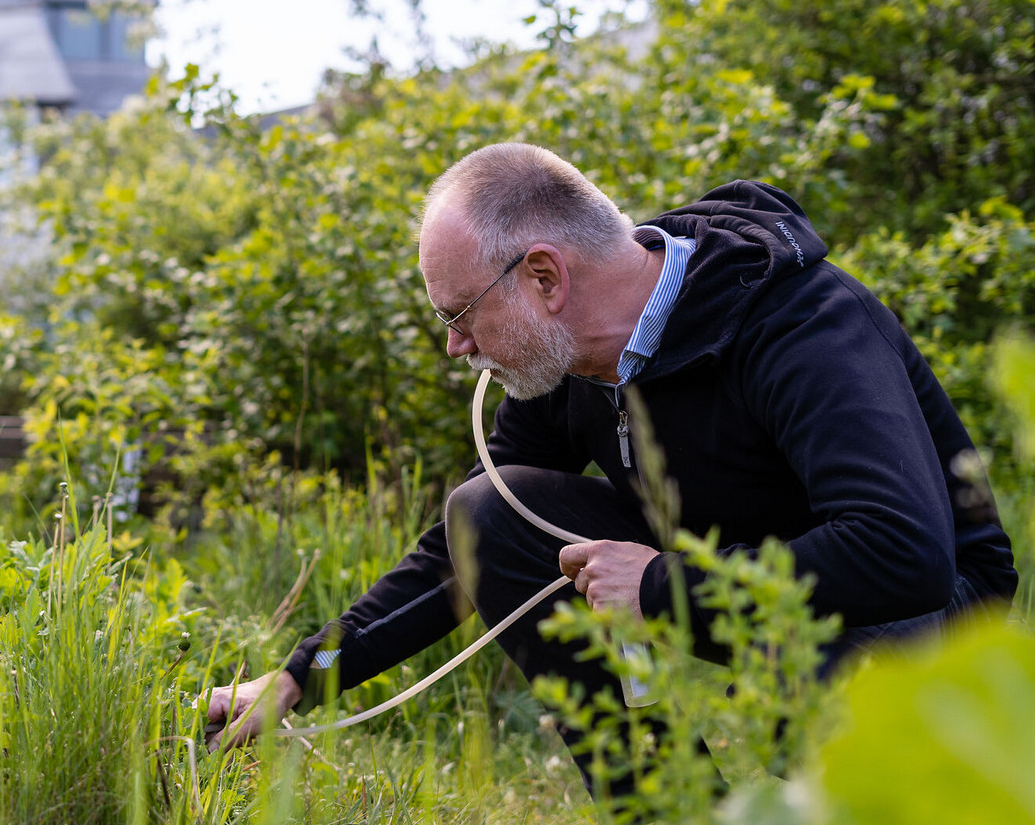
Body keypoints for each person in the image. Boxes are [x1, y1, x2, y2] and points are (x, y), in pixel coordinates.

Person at [203, 142, 1019, 799]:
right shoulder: (574, 365)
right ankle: (667, 807)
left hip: (925, 609)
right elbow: (470, 550)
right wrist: (304, 675)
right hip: (737, 580)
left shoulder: (798, 325)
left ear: (545, 277)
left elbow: (905, 552)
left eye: (458, 314)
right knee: (490, 510)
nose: (456, 346)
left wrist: (663, 585)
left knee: (814, 729)